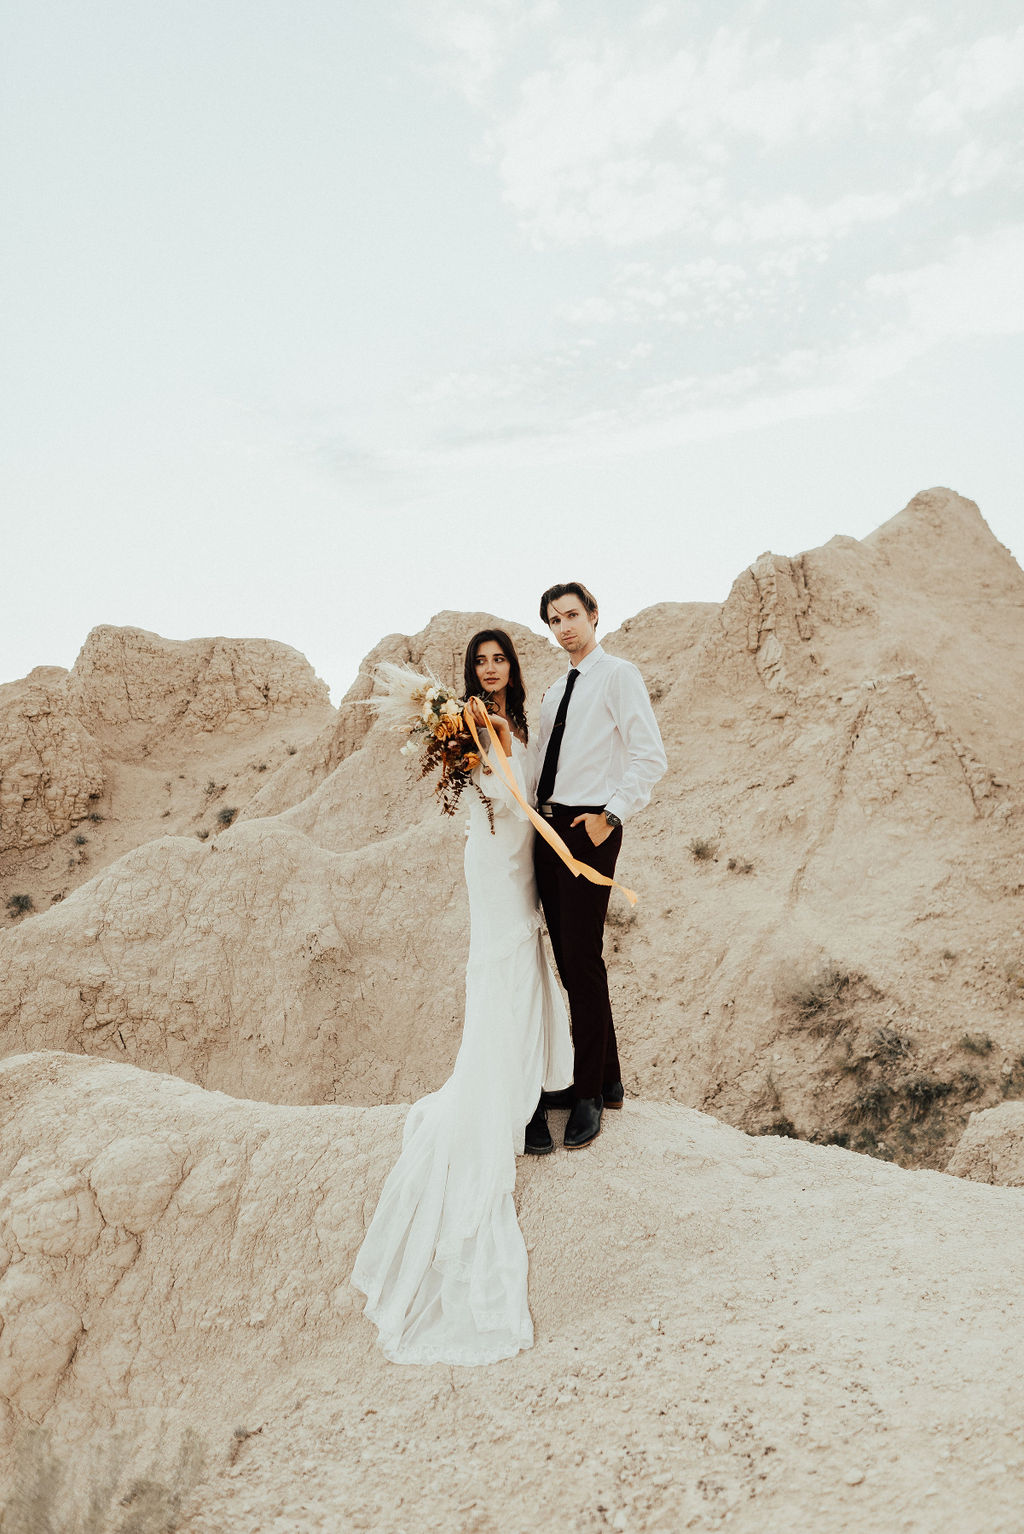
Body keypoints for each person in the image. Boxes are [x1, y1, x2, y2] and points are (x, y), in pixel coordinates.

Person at [351, 629, 574, 1365]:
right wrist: (477, 753)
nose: (490, 668)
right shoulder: (464, 723)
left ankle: (540, 1080)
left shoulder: (522, 721)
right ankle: (506, 1094)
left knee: (530, 957)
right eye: (480, 661)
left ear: (512, 664)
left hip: (526, 854)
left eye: (499, 657)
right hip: (494, 856)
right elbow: (490, 791)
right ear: (469, 673)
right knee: (503, 959)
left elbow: (532, 785)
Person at [529, 582, 667, 1153]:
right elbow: (541, 761)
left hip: (589, 828)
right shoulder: (555, 689)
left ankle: (587, 1093)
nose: (563, 628)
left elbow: (649, 754)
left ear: (593, 616)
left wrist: (609, 816)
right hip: (549, 826)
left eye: (571, 616)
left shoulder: (618, 675)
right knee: (570, 959)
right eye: (553, 620)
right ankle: (606, 1079)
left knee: (581, 960)